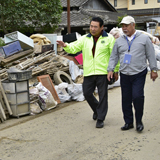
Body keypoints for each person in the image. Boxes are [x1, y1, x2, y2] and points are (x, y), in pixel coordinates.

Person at [57, 17, 119, 128]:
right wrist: (65, 45)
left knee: (103, 95)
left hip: (103, 72)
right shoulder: (85, 38)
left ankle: (100, 118)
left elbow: (114, 56)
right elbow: (74, 47)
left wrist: (115, 70)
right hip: (89, 72)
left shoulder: (109, 38)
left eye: (95, 27)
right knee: (87, 93)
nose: (93, 29)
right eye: (91, 26)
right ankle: (97, 110)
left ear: (101, 28)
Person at [107, 16, 158, 132]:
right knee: (126, 99)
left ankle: (139, 121)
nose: (124, 28)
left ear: (133, 25)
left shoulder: (144, 39)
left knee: (137, 97)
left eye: (126, 26)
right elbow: (114, 56)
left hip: (139, 73)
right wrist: (111, 69)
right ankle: (128, 122)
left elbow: (151, 55)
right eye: (122, 26)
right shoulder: (119, 41)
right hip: (125, 73)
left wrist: (154, 70)